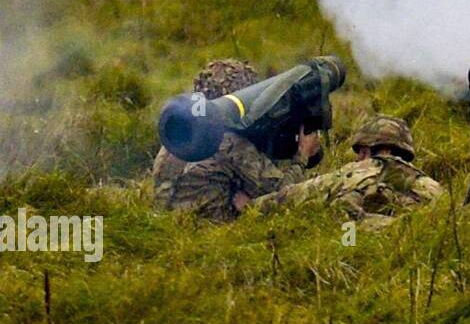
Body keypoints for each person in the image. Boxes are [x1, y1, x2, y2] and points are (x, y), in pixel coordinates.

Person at [151, 59, 320, 221]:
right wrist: (302, 156)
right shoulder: (230, 142)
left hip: (167, 228)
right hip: (212, 237)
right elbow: (284, 193)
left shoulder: (178, 137)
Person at [250, 115, 442, 229]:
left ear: (367, 150)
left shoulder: (352, 173)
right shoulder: (431, 186)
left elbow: (290, 197)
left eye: (361, 152)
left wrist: (251, 207)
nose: (358, 158)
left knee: (346, 226)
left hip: (354, 249)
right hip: (404, 263)